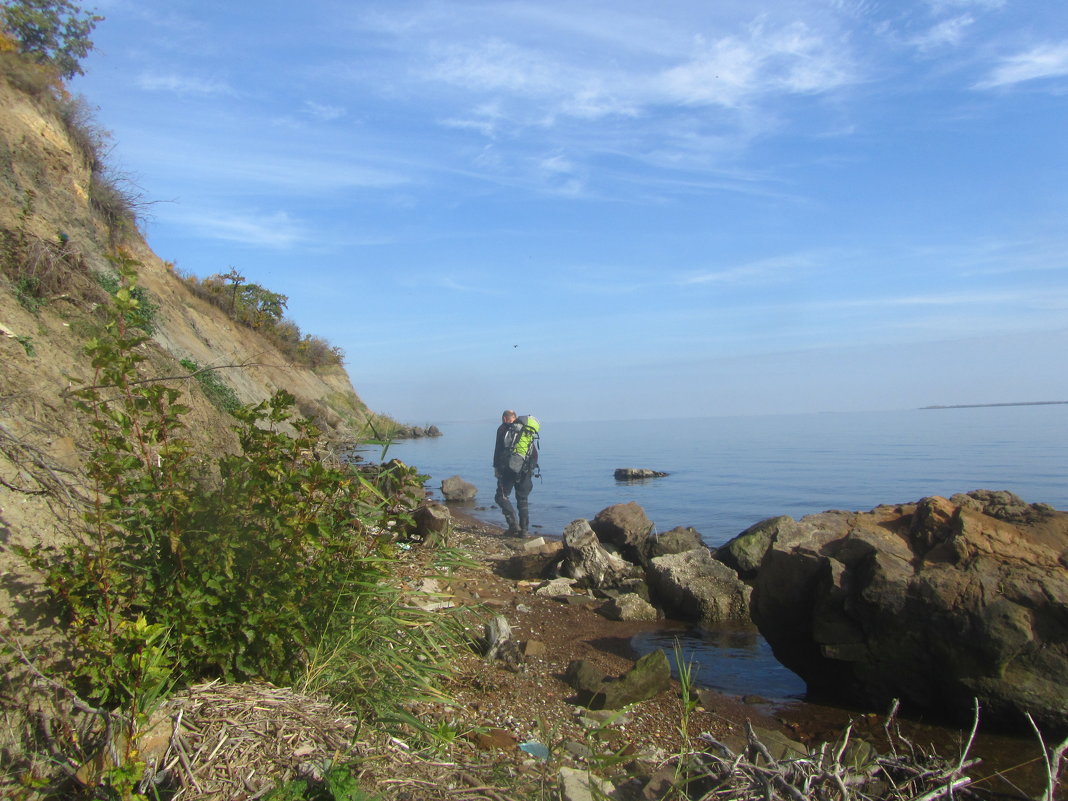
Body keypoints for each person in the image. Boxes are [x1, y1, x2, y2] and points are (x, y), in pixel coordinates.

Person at [493, 409, 537, 536]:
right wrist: (529, 469)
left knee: (501, 496)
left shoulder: (503, 429)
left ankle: (513, 526)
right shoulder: (526, 430)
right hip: (526, 469)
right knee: (522, 499)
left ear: (504, 419)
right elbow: (534, 453)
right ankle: (524, 531)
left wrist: (497, 468)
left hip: (508, 470)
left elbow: (498, 450)